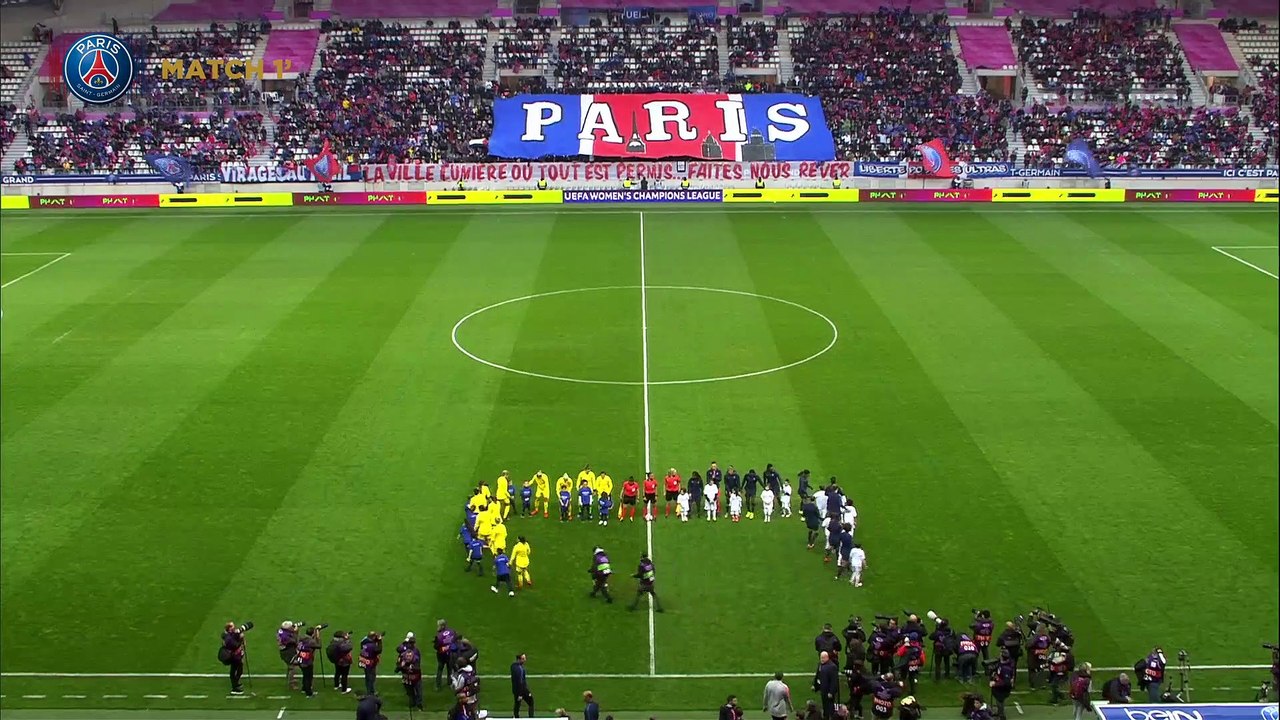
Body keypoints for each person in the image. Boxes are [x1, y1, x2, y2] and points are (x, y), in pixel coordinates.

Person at [396, 634, 424, 711]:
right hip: (411, 676)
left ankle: (417, 704)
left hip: (410, 675)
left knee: (414, 691)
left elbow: (399, 664)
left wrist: (402, 667)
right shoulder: (406, 650)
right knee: (414, 691)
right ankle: (416, 704)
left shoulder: (405, 650)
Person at [220, 621, 247, 695]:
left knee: (238, 669)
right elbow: (235, 645)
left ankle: (236, 683)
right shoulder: (228, 638)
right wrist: (241, 640)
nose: (234, 627)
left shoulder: (229, 635)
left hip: (235, 656)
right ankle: (234, 687)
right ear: (229, 629)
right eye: (232, 626)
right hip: (233, 656)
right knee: (235, 670)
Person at [815, 651, 841, 720]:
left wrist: (831, 692)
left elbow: (834, 681)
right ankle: (826, 716)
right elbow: (818, 675)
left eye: (823, 658)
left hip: (829, 691)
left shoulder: (832, 667)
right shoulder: (820, 664)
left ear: (827, 657)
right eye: (821, 658)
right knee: (824, 704)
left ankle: (831, 717)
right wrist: (815, 685)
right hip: (823, 690)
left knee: (830, 705)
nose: (821, 659)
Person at [328, 630, 355, 694]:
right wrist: (348, 639)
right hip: (344, 661)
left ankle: (336, 685)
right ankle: (344, 690)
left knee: (337, 672)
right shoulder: (341, 644)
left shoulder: (333, 642)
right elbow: (349, 647)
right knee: (344, 675)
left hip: (337, 660)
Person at [297, 625, 320, 698]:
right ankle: (308, 693)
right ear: (313, 634)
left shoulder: (301, 638)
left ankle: (304, 688)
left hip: (300, 659)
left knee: (305, 675)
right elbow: (319, 645)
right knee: (308, 677)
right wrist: (318, 636)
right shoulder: (311, 641)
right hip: (307, 661)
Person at [434, 620, 457, 690]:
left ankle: (438, 685)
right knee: (449, 668)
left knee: (440, 669)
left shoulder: (439, 636)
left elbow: (436, 646)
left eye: (439, 626)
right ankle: (449, 682)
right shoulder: (452, 632)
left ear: (442, 626)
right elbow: (455, 640)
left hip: (441, 655)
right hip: (450, 653)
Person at [279, 621, 301, 690]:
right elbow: (295, 641)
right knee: (293, 667)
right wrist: (296, 633)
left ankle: (289, 678)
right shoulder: (285, 637)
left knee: (290, 666)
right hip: (288, 653)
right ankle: (292, 683)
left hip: (286, 651)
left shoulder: (282, 631)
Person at [511, 653, 535, 718]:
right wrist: (520, 694)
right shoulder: (519, 669)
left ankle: (516, 717)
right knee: (530, 701)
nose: (525, 660)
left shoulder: (513, 666)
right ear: (519, 660)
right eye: (523, 659)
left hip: (516, 690)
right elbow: (520, 682)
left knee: (517, 704)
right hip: (521, 690)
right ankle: (531, 717)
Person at [360, 631, 383, 696]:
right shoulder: (372, 646)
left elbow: (367, 641)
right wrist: (379, 641)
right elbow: (379, 650)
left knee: (367, 677)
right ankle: (370, 693)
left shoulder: (363, 641)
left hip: (364, 661)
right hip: (370, 663)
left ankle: (371, 691)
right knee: (371, 678)